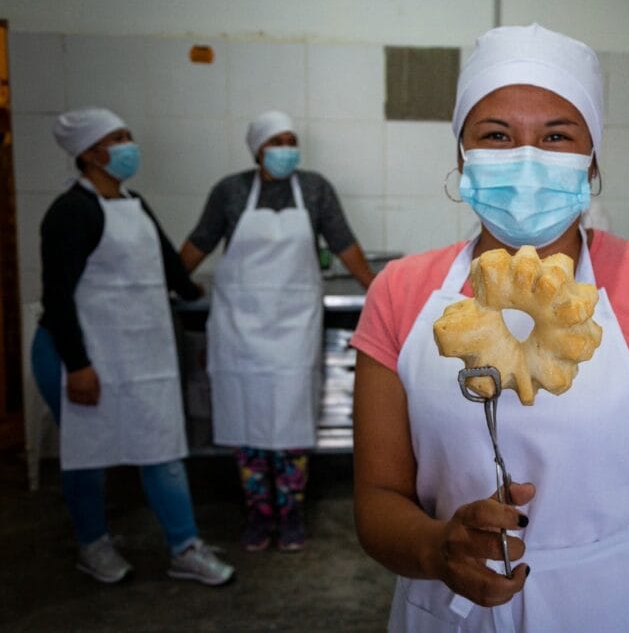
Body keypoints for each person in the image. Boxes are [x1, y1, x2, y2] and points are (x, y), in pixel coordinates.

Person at [351, 24, 629, 632]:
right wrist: (439, 550)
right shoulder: (402, 294)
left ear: (592, 159)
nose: (527, 158)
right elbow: (377, 498)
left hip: (625, 607)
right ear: (462, 155)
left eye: (557, 135)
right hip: (453, 608)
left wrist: (611, 552)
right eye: (497, 135)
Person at [31, 107, 235, 586]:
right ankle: (92, 544)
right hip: (75, 354)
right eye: (117, 138)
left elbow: (168, 265)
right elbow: (57, 296)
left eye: (127, 136)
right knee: (88, 454)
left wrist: (197, 295)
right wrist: (78, 365)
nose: (128, 146)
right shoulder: (69, 212)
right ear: (89, 153)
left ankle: (185, 547)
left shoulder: (133, 202)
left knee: (161, 447)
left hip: (142, 358)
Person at [180, 111, 375, 552]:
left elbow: (345, 244)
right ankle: (258, 515)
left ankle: (289, 514)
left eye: (292, 140)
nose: (287, 148)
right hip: (239, 330)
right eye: (277, 141)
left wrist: (379, 293)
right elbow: (197, 245)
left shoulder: (314, 189)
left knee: (291, 427)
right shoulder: (229, 192)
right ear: (258, 149)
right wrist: (172, 285)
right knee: (247, 430)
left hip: (293, 329)